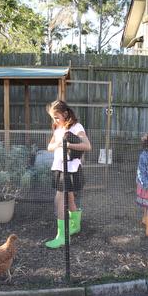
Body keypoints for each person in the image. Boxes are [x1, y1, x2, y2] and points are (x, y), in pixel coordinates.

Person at [45, 100, 92, 249]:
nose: (55, 120)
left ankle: (62, 236)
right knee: (69, 196)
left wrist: (68, 145)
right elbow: (50, 147)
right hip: (60, 167)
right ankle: (75, 225)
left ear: (65, 113)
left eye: (57, 117)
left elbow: (87, 146)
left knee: (60, 200)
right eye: (53, 118)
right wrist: (58, 144)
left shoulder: (76, 127)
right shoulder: (58, 127)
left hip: (70, 169)